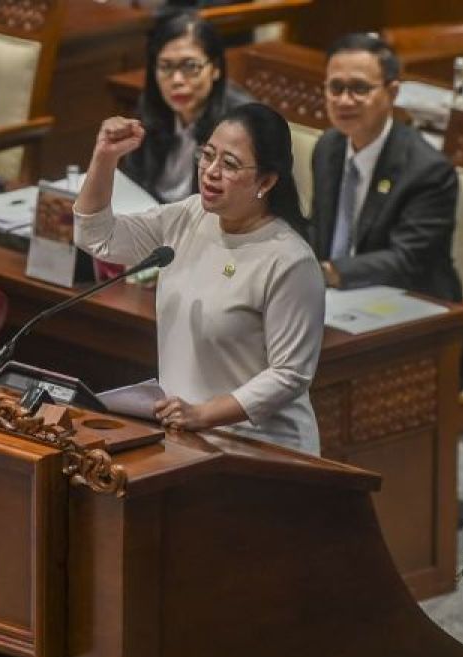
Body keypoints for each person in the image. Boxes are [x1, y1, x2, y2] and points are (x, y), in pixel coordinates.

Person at [75, 103, 325, 455]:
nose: (210, 172)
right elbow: (98, 237)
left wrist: (204, 414)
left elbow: (290, 375)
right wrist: (104, 158)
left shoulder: (289, 260)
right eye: (207, 156)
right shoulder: (189, 217)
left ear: (266, 181)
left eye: (230, 164)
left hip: (261, 449)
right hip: (186, 437)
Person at [310, 33, 463, 387]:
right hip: (337, 313)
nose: (344, 100)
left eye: (359, 88)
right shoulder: (328, 147)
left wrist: (327, 272)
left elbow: (407, 262)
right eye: (335, 87)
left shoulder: (428, 169)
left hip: (421, 327)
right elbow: (319, 232)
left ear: (391, 92)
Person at [120, 12, 253, 203]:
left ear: (215, 68)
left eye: (190, 67)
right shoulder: (151, 105)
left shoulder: (241, 123)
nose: (177, 80)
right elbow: (133, 179)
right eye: (165, 66)